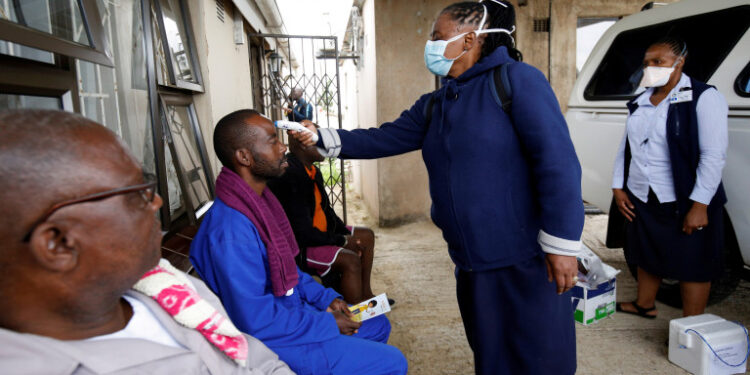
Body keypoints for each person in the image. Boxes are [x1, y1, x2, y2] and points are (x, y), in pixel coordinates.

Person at [290, 1, 584, 374]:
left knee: (540, 354)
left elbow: (557, 163)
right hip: (471, 260)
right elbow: (385, 138)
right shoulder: (439, 102)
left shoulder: (517, 81)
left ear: (469, 40)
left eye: (437, 37)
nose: (429, 44)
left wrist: (562, 245)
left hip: (523, 257)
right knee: (491, 352)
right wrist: (320, 136)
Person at [0, 109, 293, 374]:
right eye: (134, 194)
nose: (157, 202)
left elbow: (259, 362)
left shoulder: (168, 287)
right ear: (58, 244)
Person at [189, 109, 408, 375]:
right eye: (272, 141)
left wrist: (326, 299)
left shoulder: (258, 203)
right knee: (393, 362)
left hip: (290, 313)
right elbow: (257, 321)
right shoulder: (231, 232)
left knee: (377, 324)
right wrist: (326, 323)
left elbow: (288, 271)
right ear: (244, 157)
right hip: (274, 340)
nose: (283, 147)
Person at [612, 37, 728, 319]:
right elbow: (626, 148)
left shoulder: (704, 97)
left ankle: (692, 328)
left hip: (685, 197)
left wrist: (700, 205)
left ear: (680, 62)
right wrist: (619, 186)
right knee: (646, 252)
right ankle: (645, 305)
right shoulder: (640, 101)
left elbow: (713, 156)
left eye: (658, 62)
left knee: (694, 263)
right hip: (644, 193)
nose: (650, 68)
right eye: (646, 63)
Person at [268, 129, 380, 304]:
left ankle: (366, 296)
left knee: (365, 236)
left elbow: (327, 211)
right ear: (302, 146)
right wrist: (341, 241)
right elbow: (302, 233)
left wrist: (346, 236)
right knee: (350, 260)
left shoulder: (312, 171)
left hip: (320, 234)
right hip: (302, 247)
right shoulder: (291, 175)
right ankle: (354, 312)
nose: (325, 146)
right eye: (318, 141)